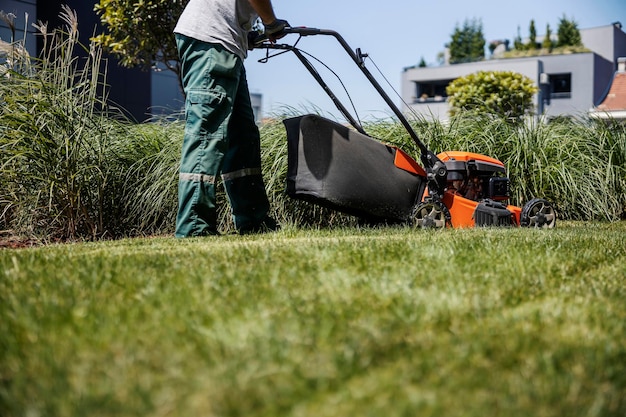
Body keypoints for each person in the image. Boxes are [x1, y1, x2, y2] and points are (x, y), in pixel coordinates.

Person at [173, 0, 289, 237]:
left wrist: (249, 34)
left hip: (225, 42)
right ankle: (195, 227)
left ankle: (253, 219)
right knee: (207, 132)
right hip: (210, 41)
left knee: (242, 134)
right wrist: (271, 23)